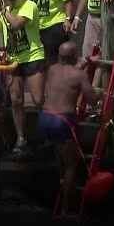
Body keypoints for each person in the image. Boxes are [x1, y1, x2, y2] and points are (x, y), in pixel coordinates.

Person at [38, 42, 100, 216]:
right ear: (74, 56)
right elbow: (92, 100)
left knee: (60, 156)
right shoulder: (79, 75)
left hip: (44, 118)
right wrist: (99, 94)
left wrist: (86, 61)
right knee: (72, 164)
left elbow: (68, 71)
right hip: (62, 120)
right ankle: (65, 209)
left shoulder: (52, 69)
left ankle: (61, 179)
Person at [0, 0, 45, 155]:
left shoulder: (29, 5)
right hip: (13, 59)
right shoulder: (6, 11)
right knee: (16, 100)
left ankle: (45, 133)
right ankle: (21, 139)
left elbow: (17, 23)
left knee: (38, 100)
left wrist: (3, 11)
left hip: (32, 56)